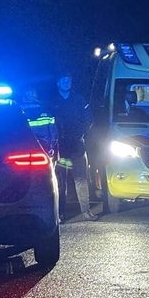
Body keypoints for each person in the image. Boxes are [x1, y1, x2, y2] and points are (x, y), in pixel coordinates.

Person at [50, 70, 97, 221]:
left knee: (81, 180)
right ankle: (59, 215)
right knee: (59, 183)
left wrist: (80, 133)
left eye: (68, 80)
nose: (66, 83)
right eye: (63, 80)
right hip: (59, 149)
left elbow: (89, 119)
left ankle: (86, 211)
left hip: (77, 147)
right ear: (58, 83)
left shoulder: (79, 100)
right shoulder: (51, 101)